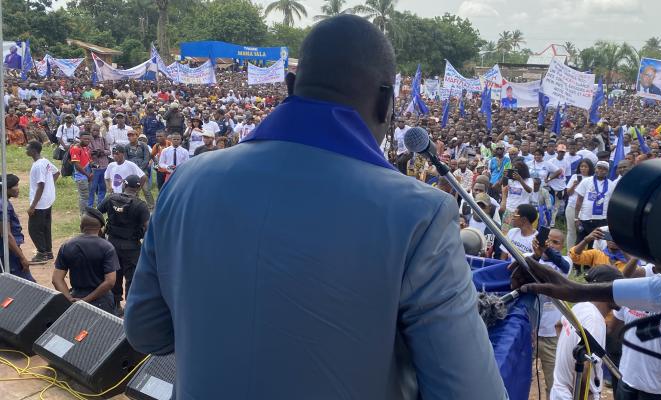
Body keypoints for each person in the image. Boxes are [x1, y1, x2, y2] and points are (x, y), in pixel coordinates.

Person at [124, 15, 506, 399]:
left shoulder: (186, 180)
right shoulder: (421, 214)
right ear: (387, 102)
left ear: (290, 86)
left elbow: (145, 332)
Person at [550, 266, 622, 400]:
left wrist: (565, 358)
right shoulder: (594, 320)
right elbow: (586, 369)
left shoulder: (579, 306)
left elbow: (559, 325)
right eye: (618, 290)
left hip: (559, 390)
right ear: (607, 291)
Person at [98, 175, 149, 316]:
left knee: (114, 274)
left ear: (124, 185)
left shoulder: (111, 198)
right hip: (132, 247)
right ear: (138, 188)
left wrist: (100, 234)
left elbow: (96, 213)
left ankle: (116, 306)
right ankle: (130, 309)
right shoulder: (140, 205)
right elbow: (148, 227)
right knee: (132, 278)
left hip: (112, 243)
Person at [51, 208, 118, 313]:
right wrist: (85, 301)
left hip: (76, 296)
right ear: (100, 229)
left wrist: (69, 299)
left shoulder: (67, 246)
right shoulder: (107, 247)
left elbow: (56, 279)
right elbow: (110, 282)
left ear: (81, 227)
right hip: (102, 301)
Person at [530, 228, 571, 398]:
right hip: (530, 332)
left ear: (562, 246)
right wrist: (537, 255)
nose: (551, 245)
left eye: (555, 242)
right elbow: (526, 270)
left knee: (553, 382)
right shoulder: (532, 257)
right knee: (521, 376)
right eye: (548, 241)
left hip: (552, 336)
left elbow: (564, 266)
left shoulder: (565, 262)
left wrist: (546, 250)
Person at [26, 141, 59, 264]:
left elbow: (40, 185)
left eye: (27, 148)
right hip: (48, 200)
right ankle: (48, 252)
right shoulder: (45, 161)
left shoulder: (38, 165)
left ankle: (41, 253)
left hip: (40, 203)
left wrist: (32, 206)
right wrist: (50, 187)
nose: (26, 150)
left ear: (34, 151)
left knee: (34, 229)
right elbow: (56, 172)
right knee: (45, 227)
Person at [0, 174, 35, 281]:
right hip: (9, 252)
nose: (18, 189)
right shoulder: (3, 206)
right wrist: (22, 257)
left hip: (8, 250)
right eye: (15, 186)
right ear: (6, 188)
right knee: (27, 284)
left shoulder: (4, 202)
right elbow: (6, 235)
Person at [574, 160, 616, 245]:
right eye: (599, 168)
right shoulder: (586, 181)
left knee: (595, 246)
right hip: (585, 219)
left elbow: (612, 205)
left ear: (607, 171)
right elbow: (579, 200)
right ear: (595, 169)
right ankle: (574, 258)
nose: (601, 170)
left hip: (602, 221)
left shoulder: (611, 185)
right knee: (579, 243)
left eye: (604, 169)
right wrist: (576, 218)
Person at [565, 159, 594, 249]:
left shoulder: (593, 179)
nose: (583, 169)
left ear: (590, 168)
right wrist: (574, 185)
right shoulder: (574, 176)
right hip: (572, 207)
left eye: (586, 167)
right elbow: (568, 193)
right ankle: (570, 253)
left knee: (583, 231)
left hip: (585, 209)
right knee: (571, 231)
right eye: (581, 166)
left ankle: (580, 252)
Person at [499, 160, 533, 233]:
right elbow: (501, 186)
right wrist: (504, 176)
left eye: (516, 170)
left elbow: (529, 190)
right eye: (513, 169)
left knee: (518, 232)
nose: (513, 172)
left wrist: (520, 180)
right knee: (505, 232)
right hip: (509, 210)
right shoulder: (510, 180)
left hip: (521, 213)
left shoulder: (529, 180)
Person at [125, 131, 155, 208]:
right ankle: (134, 205)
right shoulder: (126, 147)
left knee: (146, 189)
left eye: (132, 135)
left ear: (137, 136)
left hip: (142, 170)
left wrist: (140, 169)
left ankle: (151, 206)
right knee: (133, 189)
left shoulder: (143, 145)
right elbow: (126, 159)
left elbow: (146, 158)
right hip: (131, 171)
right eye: (129, 136)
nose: (130, 137)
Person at [70, 131, 93, 216]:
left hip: (88, 176)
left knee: (88, 196)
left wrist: (93, 169)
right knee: (84, 197)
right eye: (85, 139)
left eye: (88, 139)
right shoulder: (76, 148)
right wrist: (88, 175)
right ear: (80, 139)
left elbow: (89, 161)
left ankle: (88, 214)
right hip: (81, 177)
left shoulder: (86, 148)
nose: (87, 140)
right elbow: (77, 165)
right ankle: (83, 215)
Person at [87, 124, 111, 207]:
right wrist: (93, 152)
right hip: (94, 166)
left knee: (102, 187)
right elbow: (86, 153)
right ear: (91, 130)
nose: (95, 132)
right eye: (94, 130)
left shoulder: (103, 140)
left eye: (97, 130)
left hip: (104, 166)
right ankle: (90, 205)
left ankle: (100, 204)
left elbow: (109, 151)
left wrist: (102, 151)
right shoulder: (88, 140)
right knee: (92, 188)